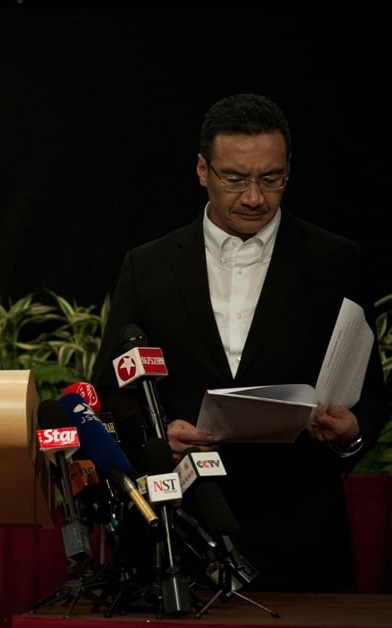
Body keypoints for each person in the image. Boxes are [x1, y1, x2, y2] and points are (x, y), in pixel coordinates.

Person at [90, 93, 389, 594]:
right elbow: (111, 388)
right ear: (202, 170)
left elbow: (371, 393)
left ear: (288, 169)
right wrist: (161, 435)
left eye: (271, 179)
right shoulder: (149, 266)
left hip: (302, 530)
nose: (254, 197)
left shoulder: (335, 260)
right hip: (182, 526)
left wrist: (351, 431)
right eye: (235, 179)